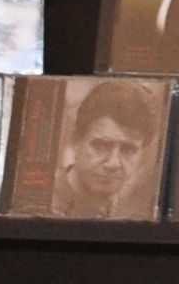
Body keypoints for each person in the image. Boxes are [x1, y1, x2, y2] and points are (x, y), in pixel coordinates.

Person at [60, 79, 165, 219]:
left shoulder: (142, 213)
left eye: (128, 150)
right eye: (101, 146)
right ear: (75, 140)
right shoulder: (40, 203)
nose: (113, 163)